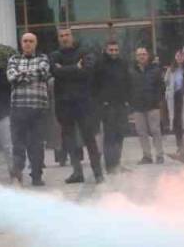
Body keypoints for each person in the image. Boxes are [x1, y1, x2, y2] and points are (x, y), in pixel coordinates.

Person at [50, 29, 101, 183]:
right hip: (64, 104)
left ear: (72, 37)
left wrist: (63, 70)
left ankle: (98, 173)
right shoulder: (54, 55)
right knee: (69, 140)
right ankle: (77, 172)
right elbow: (54, 72)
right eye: (61, 36)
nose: (64, 38)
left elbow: (87, 71)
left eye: (67, 35)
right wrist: (75, 68)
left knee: (89, 138)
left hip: (83, 102)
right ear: (58, 39)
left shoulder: (85, 52)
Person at [7, 33, 52, 186]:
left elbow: (43, 72)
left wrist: (21, 75)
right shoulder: (13, 59)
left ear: (36, 43)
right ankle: (17, 175)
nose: (27, 44)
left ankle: (37, 176)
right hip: (18, 109)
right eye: (25, 41)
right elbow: (11, 77)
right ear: (21, 43)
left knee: (37, 144)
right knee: (18, 144)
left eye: (31, 41)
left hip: (37, 109)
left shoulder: (43, 58)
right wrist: (30, 75)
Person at [91, 40, 130, 175]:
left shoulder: (123, 63)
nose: (113, 52)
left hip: (121, 105)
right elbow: (93, 85)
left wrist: (127, 100)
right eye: (111, 50)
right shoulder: (100, 64)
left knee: (120, 134)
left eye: (115, 50)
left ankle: (117, 163)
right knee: (110, 136)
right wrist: (100, 102)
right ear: (106, 50)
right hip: (107, 106)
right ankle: (110, 165)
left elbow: (128, 82)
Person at [129, 47, 165, 165]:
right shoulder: (131, 71)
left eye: (144, 54)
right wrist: (131, 102)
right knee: (141, 132)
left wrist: (158, 100)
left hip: (153, 106)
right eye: (139, 54)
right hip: (138, 107)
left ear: (148, 56)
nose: (142, 56)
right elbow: (128, 88)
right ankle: (147, 156)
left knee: (155, 131)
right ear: (136, 57)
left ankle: (159, 155)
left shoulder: (155, 70)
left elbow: (161, 87)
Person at [164, 50, 184, 150]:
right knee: (177, 121)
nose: (179, 58)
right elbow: (166, 82)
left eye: (181, 56)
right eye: (178, 56)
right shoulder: (171, 69)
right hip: (175, 97)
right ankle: (179, 144)